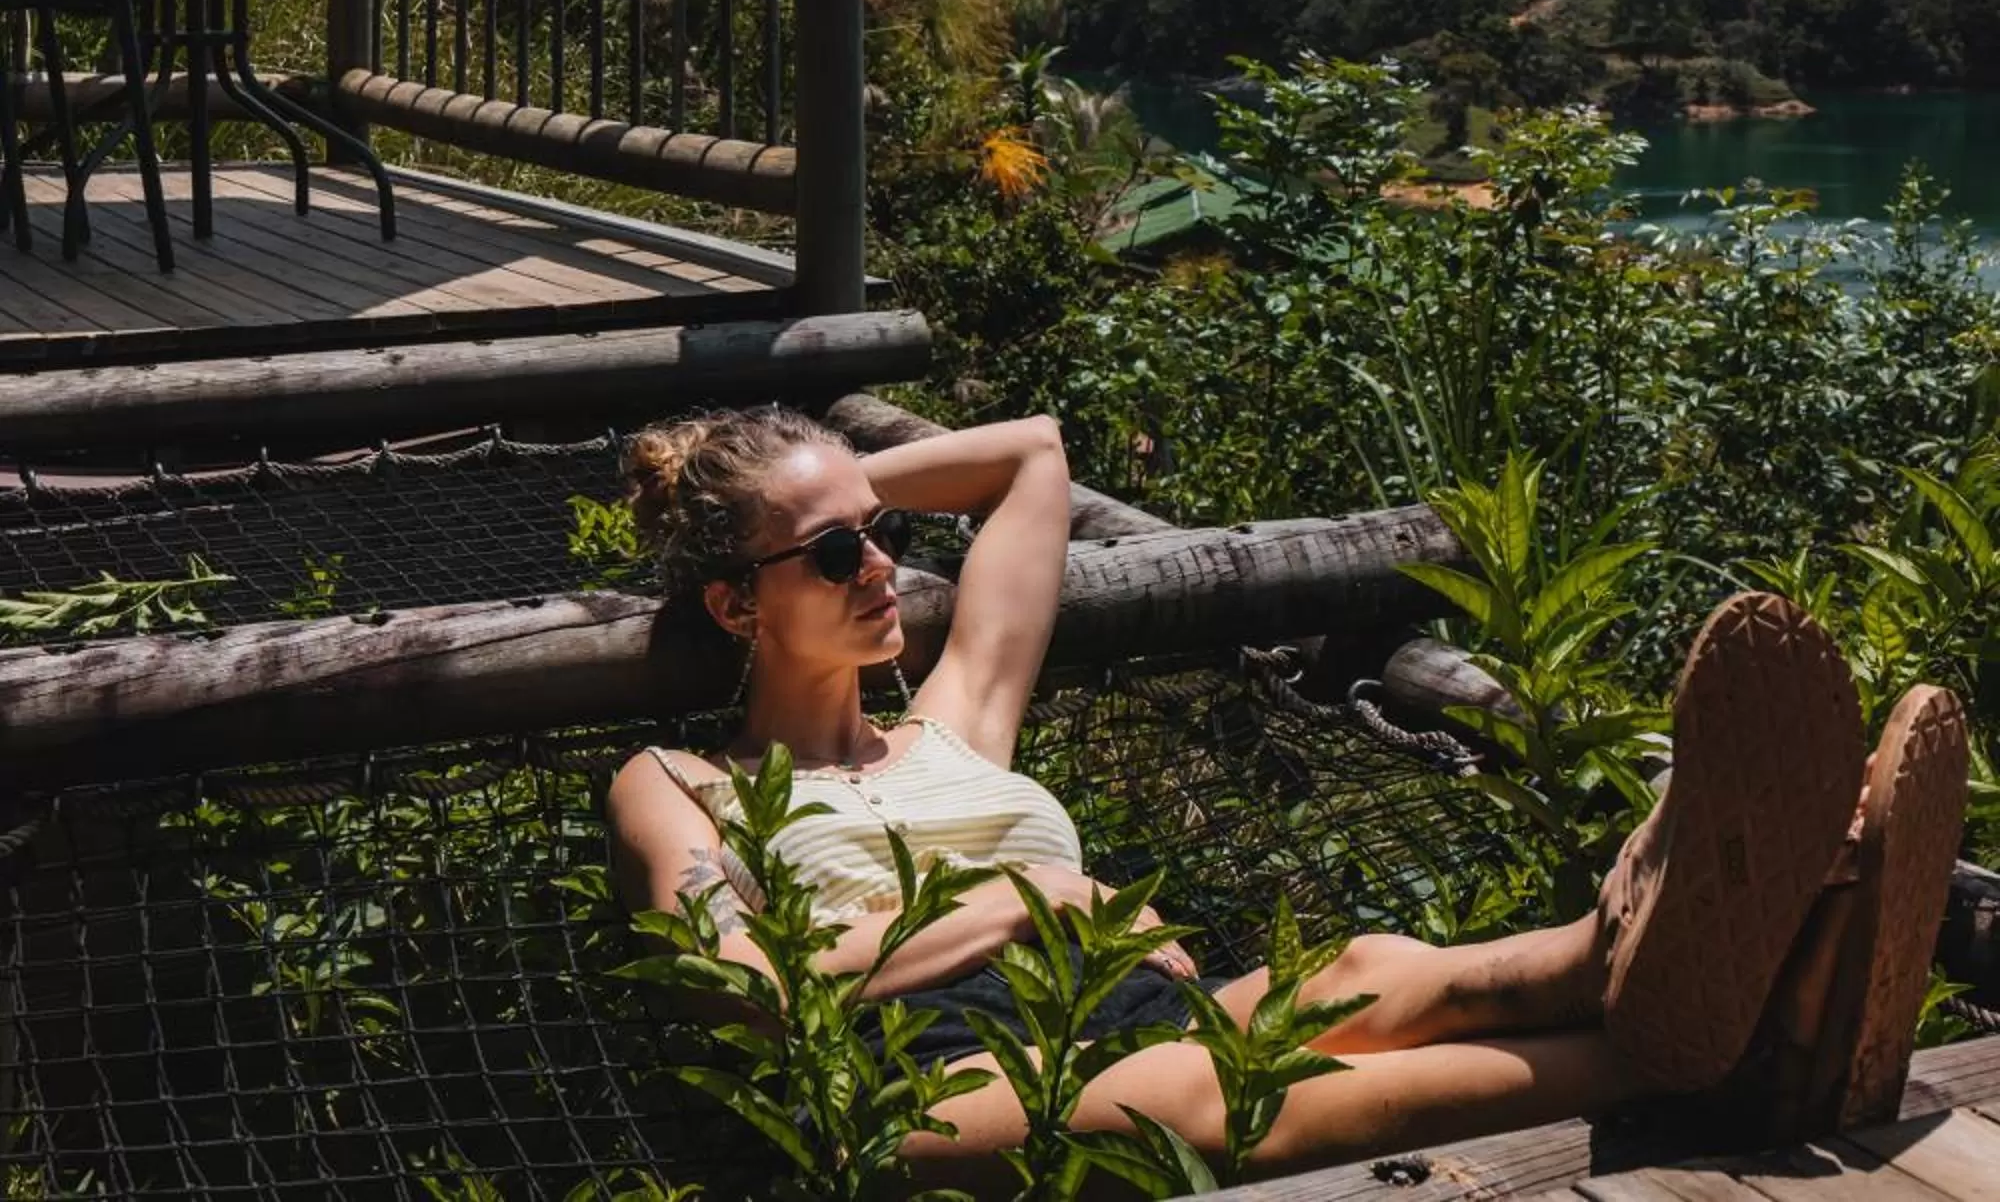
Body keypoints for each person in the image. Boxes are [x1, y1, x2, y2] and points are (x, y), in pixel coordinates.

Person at [606, 407, 1968, 1189]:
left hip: (1118, 1004)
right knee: (1210, 1089)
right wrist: (1019, 903)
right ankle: (1735, 1044)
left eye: (886, 537)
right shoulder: (680, 787)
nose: (882, 567)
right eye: (837, 553)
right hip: (919, 1074)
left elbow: (1033, 459)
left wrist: (811, 493)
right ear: (735, 605)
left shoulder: (954, 721)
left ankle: (1651, 939)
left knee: (1372, 971)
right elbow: (751, 994)